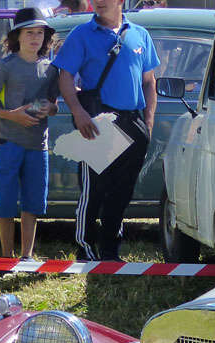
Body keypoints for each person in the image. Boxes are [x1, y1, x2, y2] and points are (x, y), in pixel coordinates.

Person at [53, 0, 158, 261]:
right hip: (98, 121)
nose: (98, 2)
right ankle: (86, 251)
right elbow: (64, 76)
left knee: (122, 191)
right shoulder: (82, 34)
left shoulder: (140, 34)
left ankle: (110, 251)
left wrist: (148, 121)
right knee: (94, 191)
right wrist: (78, 112)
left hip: (133, 122)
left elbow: (149, 81)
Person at [0, 8, 58, 260]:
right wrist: (13, 115)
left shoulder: (50, 68)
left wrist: (50, 108)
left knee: (33, 203)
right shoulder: (5, 66)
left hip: (38, 144)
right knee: (5, 202)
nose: (35, 38)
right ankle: (6, 256)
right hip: (9, 143)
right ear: (17, 36)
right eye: (29, 33)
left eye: (39, 33)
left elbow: (53, 104)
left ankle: (26, 256)